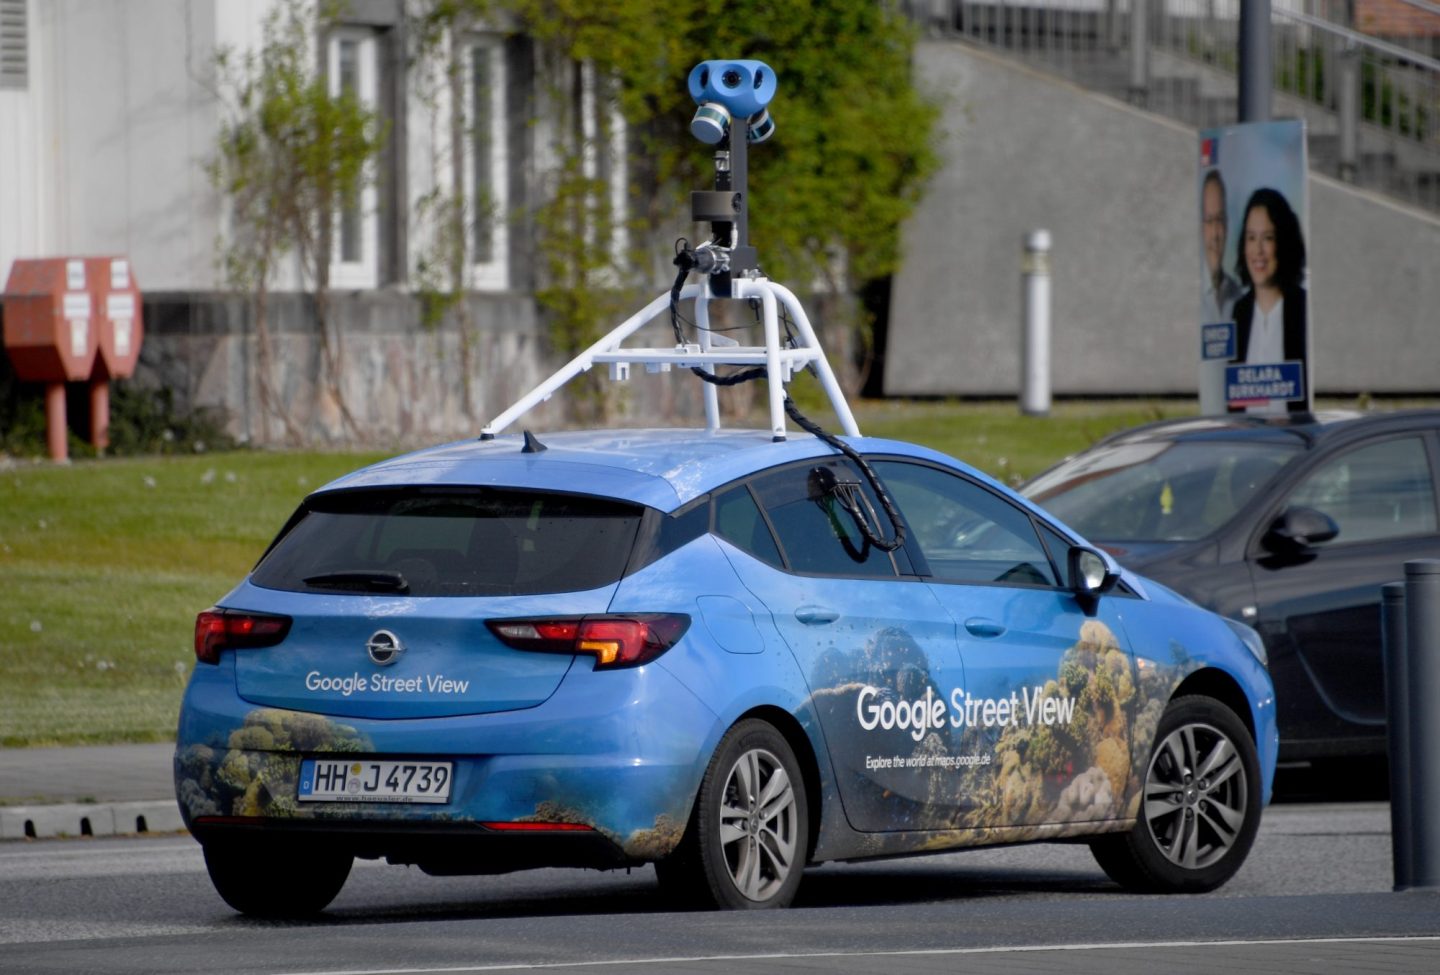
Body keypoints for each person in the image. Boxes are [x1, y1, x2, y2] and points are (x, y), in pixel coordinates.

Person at [1230, 187, 1308, 412]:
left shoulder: (1302, 309)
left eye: (1268, 238)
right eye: (1251, 238)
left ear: (1283, 242)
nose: (1258, 250)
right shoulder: (1239, 313)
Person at [1200, 170, 1242, 324]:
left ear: (1227, 225)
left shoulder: (1237, 296)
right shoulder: (1187, 292)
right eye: (1209, 220)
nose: (1215, 234)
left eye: (1219, 219)